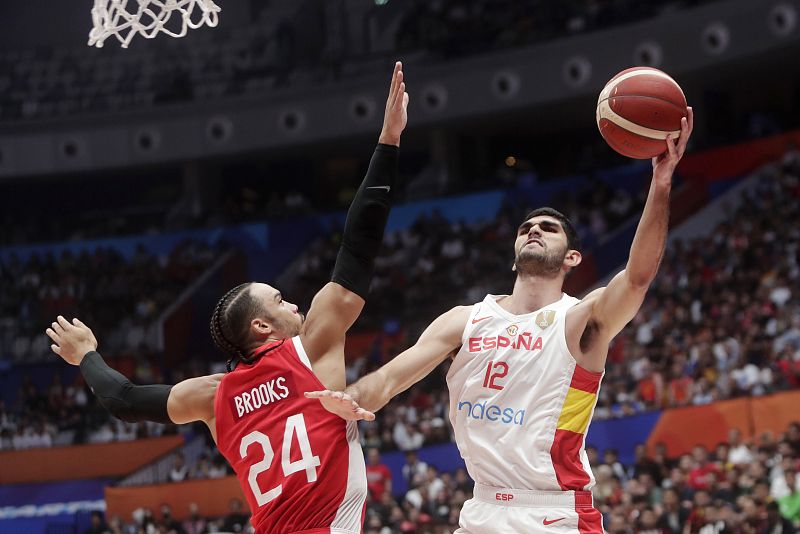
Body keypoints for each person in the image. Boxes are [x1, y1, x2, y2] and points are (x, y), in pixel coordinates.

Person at [46, 61, 410, 534]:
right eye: (280, 301)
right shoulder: (310, 348)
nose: (294, 305)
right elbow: (358, 245)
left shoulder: (211, 397)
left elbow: (123, 398)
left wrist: (87, 355)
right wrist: (389, 141)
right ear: (261, 326)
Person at [308, 109, 694, 533]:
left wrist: (661, 183)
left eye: (548, 228)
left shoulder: (581, 318)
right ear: (514, 256)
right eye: (526, 227)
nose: (534, 230)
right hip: (483, 509)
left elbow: (638, 278)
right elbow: (387, 382)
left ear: (572, 258)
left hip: (555, 511)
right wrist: (349, 399)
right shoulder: (464, 320)